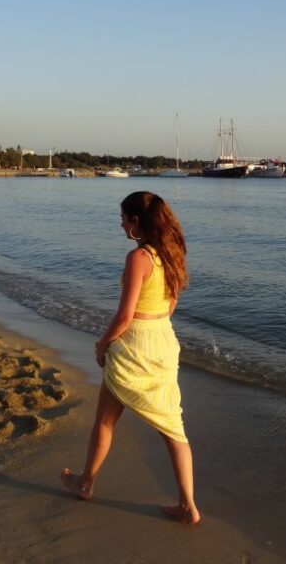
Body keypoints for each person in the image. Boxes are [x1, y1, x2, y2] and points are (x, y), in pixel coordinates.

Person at [60, 191, 201, 525]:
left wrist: (102, 344)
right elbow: (171, 304)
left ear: (137, 221)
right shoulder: (172, 253)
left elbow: (125, 316)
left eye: (123, 218)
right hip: (163, 342)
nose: (120, 224)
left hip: (134, 345)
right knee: (173, 429)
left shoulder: (138, 259)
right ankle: (188, 506)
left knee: (106, 422)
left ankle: (85, 483)